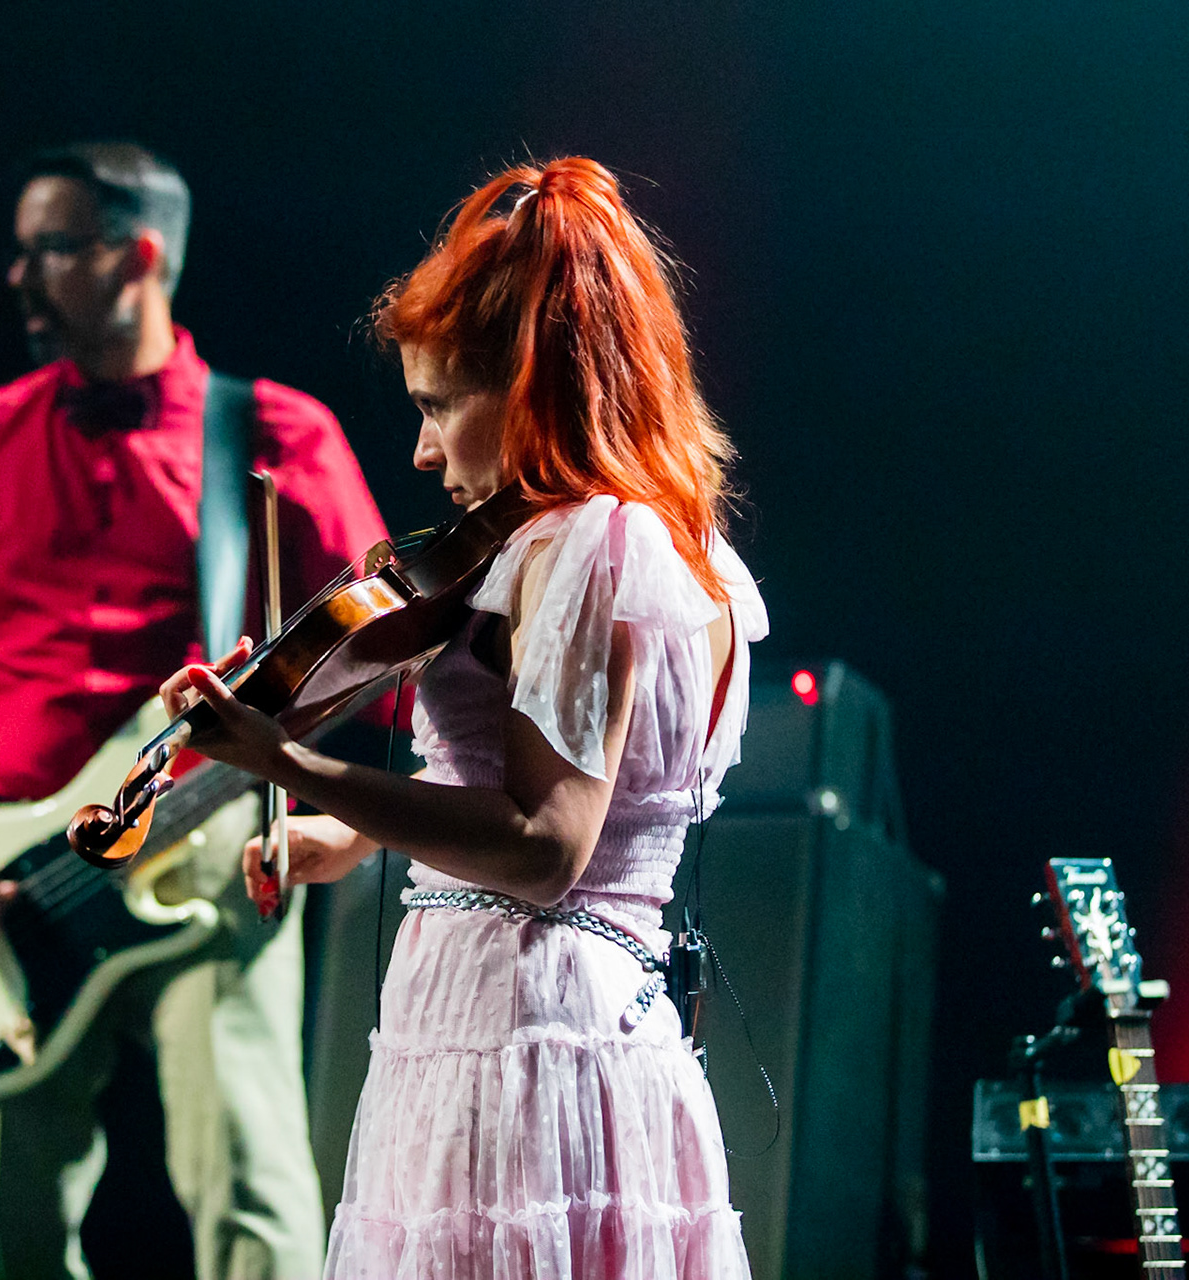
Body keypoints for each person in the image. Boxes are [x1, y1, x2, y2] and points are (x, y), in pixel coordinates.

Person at [159, 157, 767, 1280]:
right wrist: (346, 833)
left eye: (439, 407)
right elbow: (545, 789)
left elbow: (547, 850)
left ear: (538, 380)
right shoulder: (653, 545)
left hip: (530, 1030)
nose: (422, 451)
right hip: (530, 1022)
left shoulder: (595, 545)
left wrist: (291, 758)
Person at [0, 141, 391, 1280]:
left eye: (47, 249)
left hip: (212, 845)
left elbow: (386, 653)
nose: (18, 276)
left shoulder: (277, 437)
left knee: (251, 1190)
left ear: (137, 255)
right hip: (18, 880)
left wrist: (353, 803)